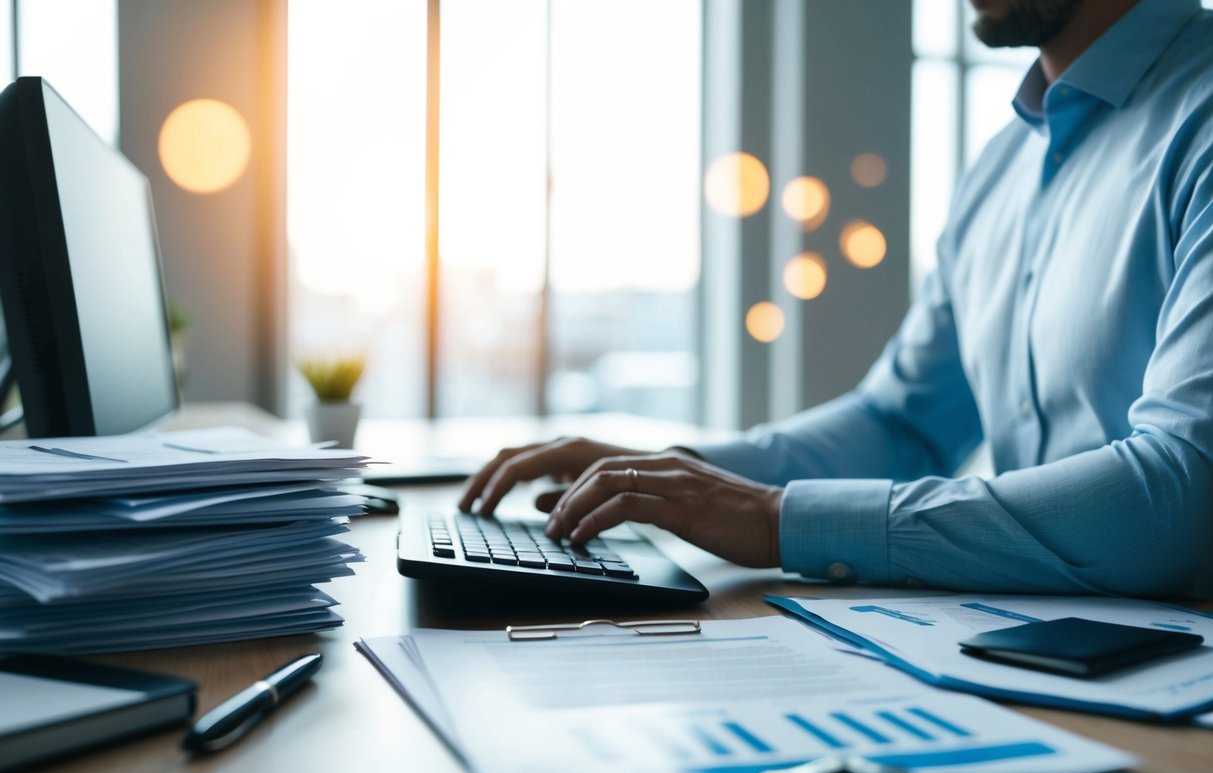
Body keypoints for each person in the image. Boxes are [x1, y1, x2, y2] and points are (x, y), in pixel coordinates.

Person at [460, 0, 1213, 598]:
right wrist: (669, 476)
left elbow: (1179, 497)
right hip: (1037, 653)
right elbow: (902, 424)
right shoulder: (1002, 165)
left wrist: (777, 520)